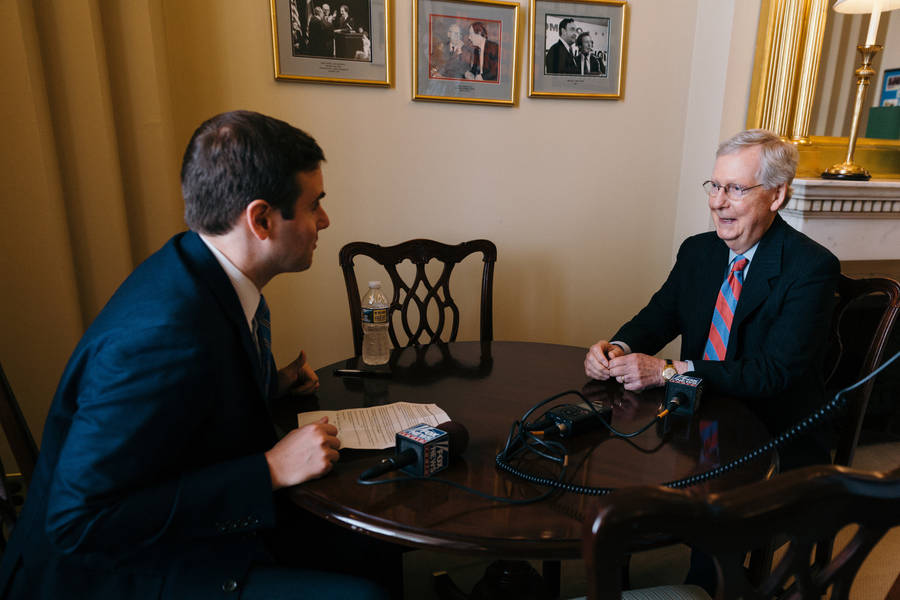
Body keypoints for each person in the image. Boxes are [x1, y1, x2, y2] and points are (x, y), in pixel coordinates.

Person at [0, 111, 389, 599]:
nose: (325, 221)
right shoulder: (161, 337)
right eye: (315, 205)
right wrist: (268, 469)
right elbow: (79, 521)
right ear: (261, 219)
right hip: (114, 574)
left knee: (374, 543)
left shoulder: (201, 266)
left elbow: (179, 405)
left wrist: (269, 384)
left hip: (178, 528)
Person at [584, 129, 840, 471]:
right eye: (715, 186)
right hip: (697, 418)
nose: (718, 202)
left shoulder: (812, 267)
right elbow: (659, 316)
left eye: (735, 189)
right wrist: (617, 348)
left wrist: (668, 372)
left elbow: (773, 372)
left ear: (776, 195)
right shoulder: (698, 251)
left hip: (771, 438)